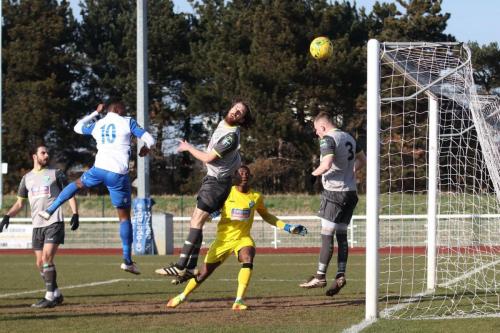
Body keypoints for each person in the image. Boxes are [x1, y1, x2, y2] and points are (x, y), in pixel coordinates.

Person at [166, 165, 307, 310]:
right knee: (203, 273)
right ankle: (181, 296)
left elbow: (266, 216)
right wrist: (211, 213)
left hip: (243, 238)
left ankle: (239, 301)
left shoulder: (256, 197)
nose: (244, 176)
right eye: (241, 173)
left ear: (250, 177)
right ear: (235, 177)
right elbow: (208, 210)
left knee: (248, 257)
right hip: (223, 240)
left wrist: (288, 227)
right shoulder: (226, 193)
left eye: (247, 173)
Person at [38, 102, 155, 274]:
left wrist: (95, 112)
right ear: (116, 110)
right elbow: (151, 139)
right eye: (123, 109)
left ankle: (50, 209)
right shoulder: (127, 121)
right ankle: (127, 261)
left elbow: (77, 127)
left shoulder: (98, 124)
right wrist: (147, 148)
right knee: (124, 218)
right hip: (117, 174)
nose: (125, 111)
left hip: (98, 169)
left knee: (76, 184)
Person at [155, 100, 252, 279]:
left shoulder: (230, 136)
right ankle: (191, 268)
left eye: (241, 112)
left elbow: (208, 158)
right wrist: (235, 167)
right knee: (196, 221)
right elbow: (236, 157)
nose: (236, 112)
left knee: (196, 221)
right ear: (230, 108)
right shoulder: (224, 125)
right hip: (214, 182)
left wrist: (188, 147)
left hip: (216, 184)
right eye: (235, 108)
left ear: (242, 119)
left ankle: (180, 266)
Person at [0, 144, 79, 308]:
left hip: (53, 221)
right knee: (39, 263)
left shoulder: (55, 173)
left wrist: (75, 213)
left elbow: (69, 192)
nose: (46, 155)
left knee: (47, 258)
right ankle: (56, 293)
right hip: (37, 225)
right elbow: (20, 203)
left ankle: (49, 297)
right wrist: (7, 216)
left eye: (47, 153)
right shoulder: (26, 178)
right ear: (34, 157)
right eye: (43, 153)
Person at [299, 112, 365, 296]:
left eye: (317, 131)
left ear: (322, 127)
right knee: (342, 235)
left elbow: (326, 163)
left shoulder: (328, 139)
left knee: (327, 235)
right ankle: (340, 275)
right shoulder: (349, 137)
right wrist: (349, 172)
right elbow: (362, 160)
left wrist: (312, 175)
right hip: (351, 193)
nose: (317, 135)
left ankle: (320, 276)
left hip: (334, 193)